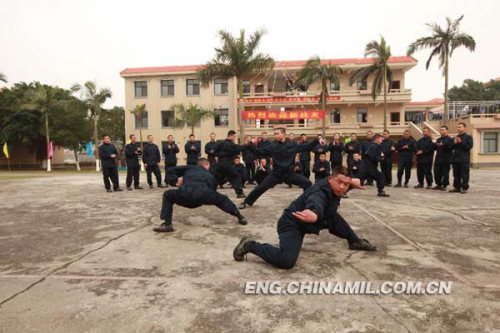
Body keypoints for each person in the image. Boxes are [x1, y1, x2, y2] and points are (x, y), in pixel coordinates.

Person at [233, 167, 376, 269]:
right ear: (330, 178)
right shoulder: (320, 191)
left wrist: (352, 182)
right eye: (339, 182)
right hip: (293, 222)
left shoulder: (338, 186)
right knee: (286, 261)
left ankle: (354, 241)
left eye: (346, 184)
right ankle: (249, 245)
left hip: (321, 217)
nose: (342, 187)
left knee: (333, 217)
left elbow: (343, 184)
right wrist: (313, 214)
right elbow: (316, 202)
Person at [154, 158, 248, 232]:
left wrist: (175, 181)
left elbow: (170, 170)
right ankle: (240, 217)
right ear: (206, 165)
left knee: (167, 194)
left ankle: (167, 224)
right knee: (223, 199)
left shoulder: (190, 167)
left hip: (186, 194)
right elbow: (213, 189)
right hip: (203, 196)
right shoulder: (210, 175)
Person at [239, 128, 323, 209]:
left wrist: (317, 140)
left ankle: (307, 202)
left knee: (307, 183)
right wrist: (249, 144)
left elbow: (306, 147)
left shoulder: (292, 145)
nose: (275, 135)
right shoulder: (273, 146)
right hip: (276, 174)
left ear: (283, 134)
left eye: (277, 133)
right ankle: (246, 202)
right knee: (261, 187)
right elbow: (260, 151)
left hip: (290, 174)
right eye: (275, 134)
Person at [214, 130, 246, 198]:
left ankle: (208, 192)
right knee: (235, 177)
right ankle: (240, 193)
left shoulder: (220, 143)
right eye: (234, 136)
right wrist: (245, 145)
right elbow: (239, 149)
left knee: (216, 179)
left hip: (220, 164)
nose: (234, 138)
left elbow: (215, 151)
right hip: (228, 164)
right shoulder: (231, 144)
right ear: (230, 135)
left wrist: (218, 156)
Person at [450, 122, 473, 194]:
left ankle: (464, 187)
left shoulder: (468, 137)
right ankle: (457, 187)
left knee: (464, 175)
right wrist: (454, 143)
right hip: (456, 159)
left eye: (460, 127)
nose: (458, 128)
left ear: (464, 128)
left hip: (464, 159)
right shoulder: (455, 137)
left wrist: (460, 142)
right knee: (456, 175)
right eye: (458, 127)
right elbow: (451, 147)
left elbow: (468, 147)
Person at [432, 125, 454, 191]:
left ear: (446, 130)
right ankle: (438, 184)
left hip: (446, 159)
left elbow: (451, 148)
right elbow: (435, 148)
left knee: (445, 173)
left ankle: (444, 185)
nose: (441, 131)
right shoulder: (438, 139)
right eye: (441, 130)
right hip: (438, 159)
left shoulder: (450, 139)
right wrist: (434, 143)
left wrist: (443, 145)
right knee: (436, 172)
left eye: (443, 130)